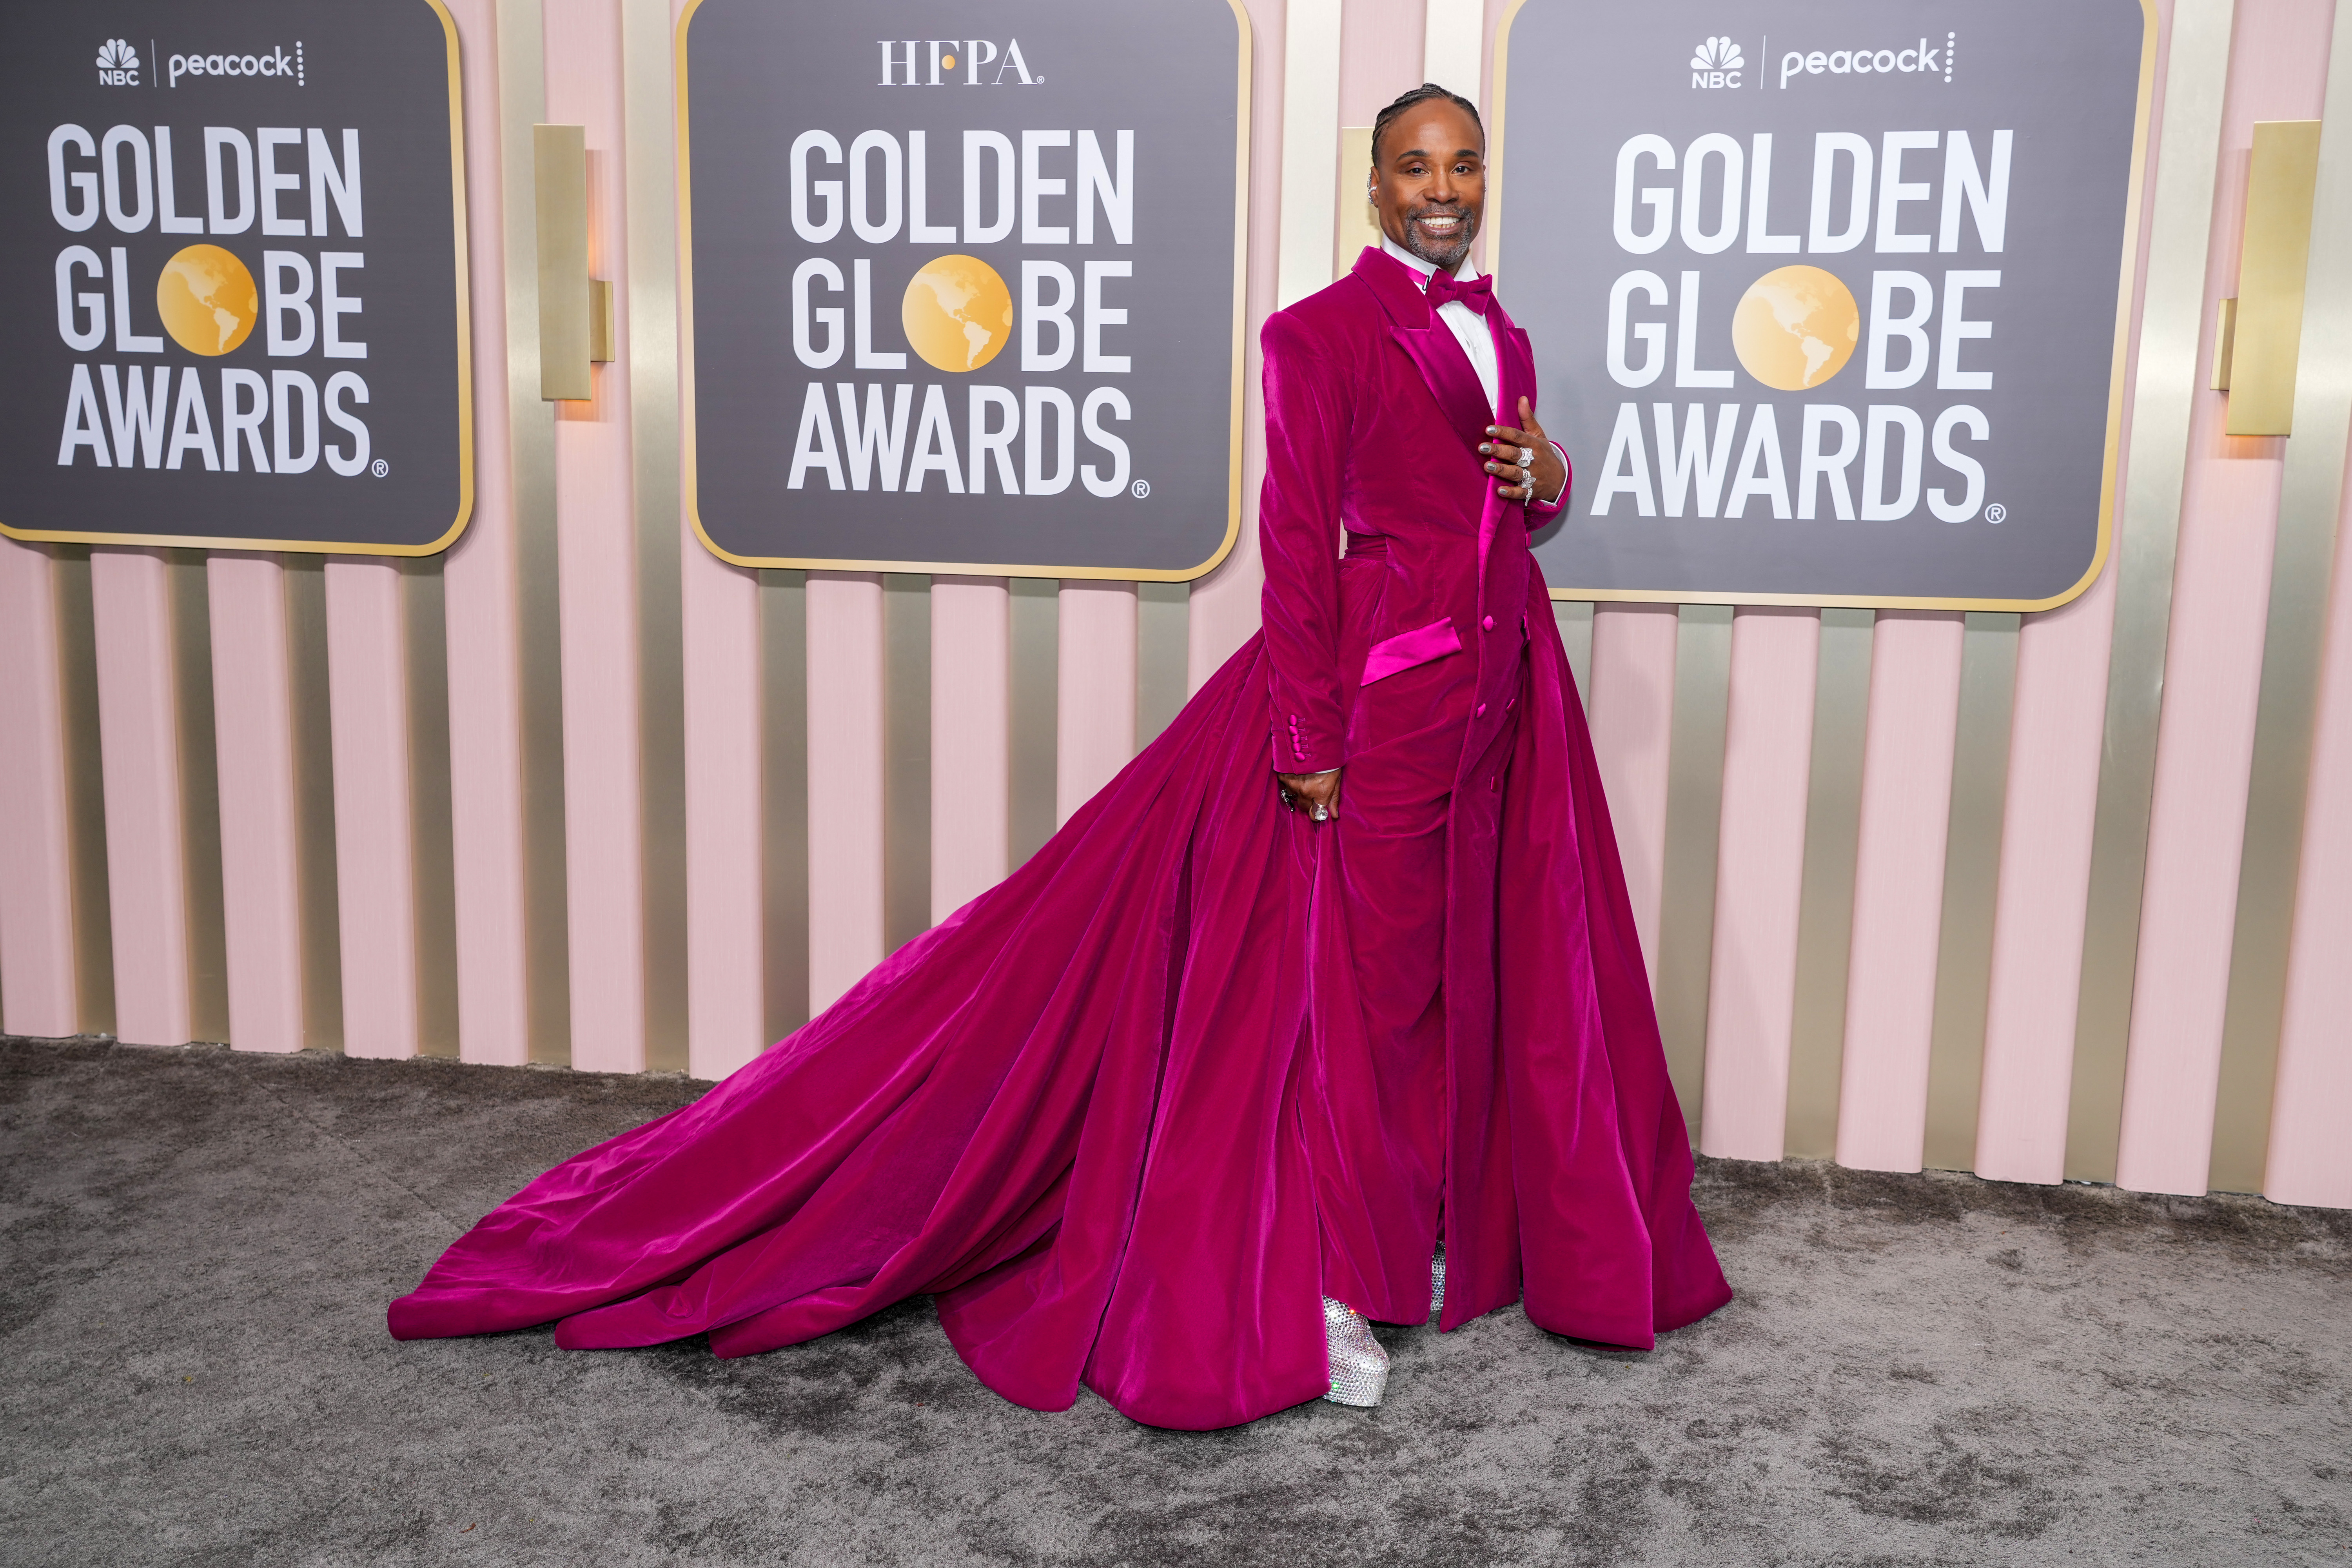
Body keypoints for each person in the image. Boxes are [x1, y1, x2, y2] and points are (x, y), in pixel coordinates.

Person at [388, 83, 1730, 1430]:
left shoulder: (1503, 329)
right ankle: (1327, 1280)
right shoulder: (1313, 338)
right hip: (1377, 704)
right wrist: (1310, 733)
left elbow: (1515, 502)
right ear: (1372, 188)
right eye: (1414, 169)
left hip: (1503, 709)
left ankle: (1419, 1223)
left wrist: (1549, 473)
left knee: (1452, 981)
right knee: (1345, 1007)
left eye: (1462, 166)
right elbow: (1295, 542)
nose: (1442, 190)